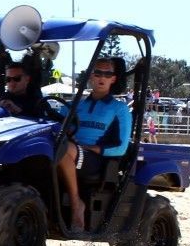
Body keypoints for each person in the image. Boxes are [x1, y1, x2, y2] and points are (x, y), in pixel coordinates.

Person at [57, 58, 133, 231]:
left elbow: (121, 147)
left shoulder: (119, 109)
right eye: (98, 72)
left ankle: (77, 205)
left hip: (97, 160)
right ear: (91, 76)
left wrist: (93, 148)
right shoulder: (74, 105)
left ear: (113, 79)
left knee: (64, 148)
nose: (102, 77)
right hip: (72, 151)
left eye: (107, 74)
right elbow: (56, 126)